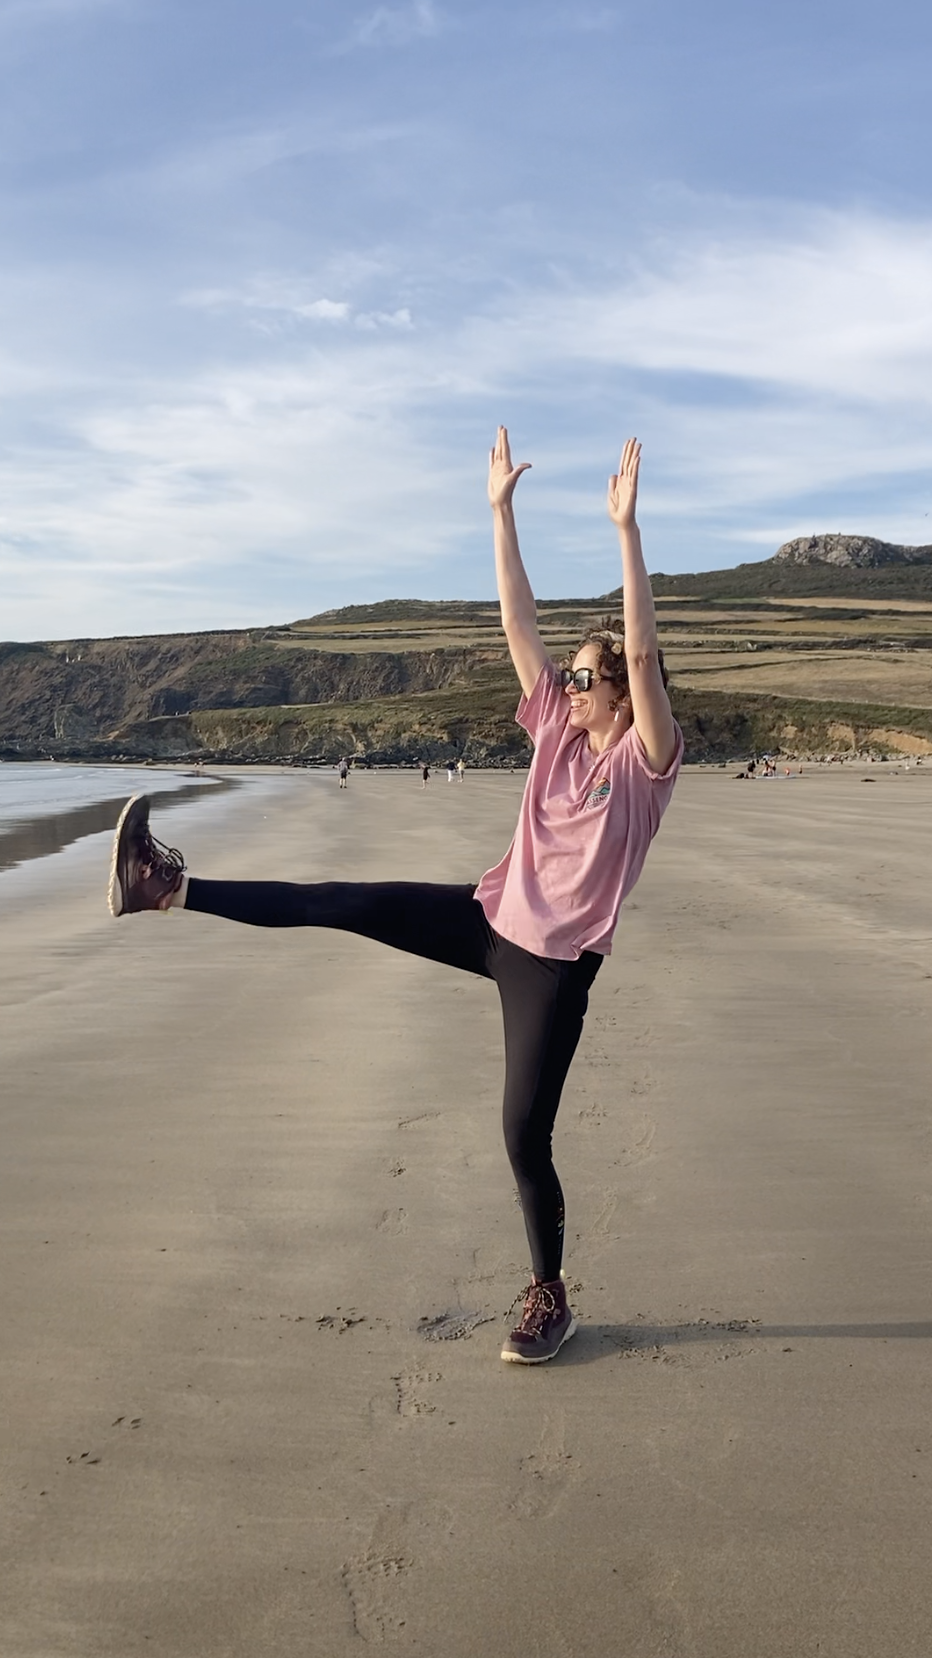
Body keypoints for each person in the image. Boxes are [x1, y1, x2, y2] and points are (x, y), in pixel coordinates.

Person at [107, 430, 682, 1366]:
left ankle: (550, 1293)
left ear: (618, 691)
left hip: (551, 967)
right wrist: (499, 513)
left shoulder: (643, 762)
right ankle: (166, 886)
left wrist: (628, 532)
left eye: (584, 678)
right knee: (345, 899)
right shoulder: (558, 736)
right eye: (569, 677)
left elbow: (648, 655)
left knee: (520, 1134)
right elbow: (516, 623)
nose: (567, 685)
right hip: (488, 918)